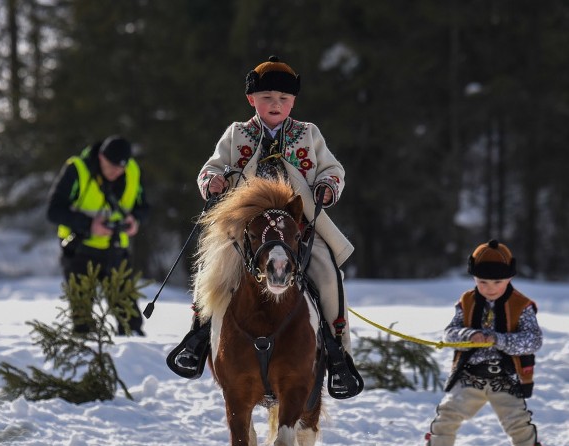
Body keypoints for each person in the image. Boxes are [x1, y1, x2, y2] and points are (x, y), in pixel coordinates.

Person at [168, 56, 361, 396]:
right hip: (247, 231)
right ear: (251, 100)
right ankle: (198, 335)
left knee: (329, 273)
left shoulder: (308, 134)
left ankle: (337, 351)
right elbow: (210, 167)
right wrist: (213, 181)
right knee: (209, 272)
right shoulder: (237, 134)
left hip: (297, 229)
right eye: (267, 98)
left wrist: (327, 186)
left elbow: (333, 170)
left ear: (293, 102)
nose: (276, 104)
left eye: (283, 99)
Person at [413, 240, 546, 446]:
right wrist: (469, 334)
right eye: (483, 282)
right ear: (474, 278)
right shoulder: (466, 301)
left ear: (509, 278)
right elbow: (450, 334)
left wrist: (498, 339)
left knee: (520, 428)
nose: (490, 288)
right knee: (445, 419)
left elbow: (534, 340)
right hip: (470, 376)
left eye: (497, 282)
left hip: (505, 380)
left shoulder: (523, 305)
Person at [46, 135, 149, 335]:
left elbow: (144, 208)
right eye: (111, 166)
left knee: (131, 321)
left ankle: (132, 359)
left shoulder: (133, 171)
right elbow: (53, 211)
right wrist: (89, 225)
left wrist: (135, 220)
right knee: (83, 322)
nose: (116, 172)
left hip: (116, 251)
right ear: (101, 157)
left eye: (121, 168)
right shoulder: (77, 169)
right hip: (79, 253)